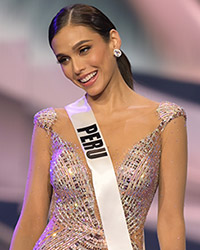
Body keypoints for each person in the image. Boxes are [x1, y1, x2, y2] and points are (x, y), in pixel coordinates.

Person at [9, 4, 187, 250]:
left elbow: (170, 220)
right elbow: (31, 219)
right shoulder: (51, 124)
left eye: (84, 50)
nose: (77, 68)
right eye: (64, 59)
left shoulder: (166, 120)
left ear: (113, 40)